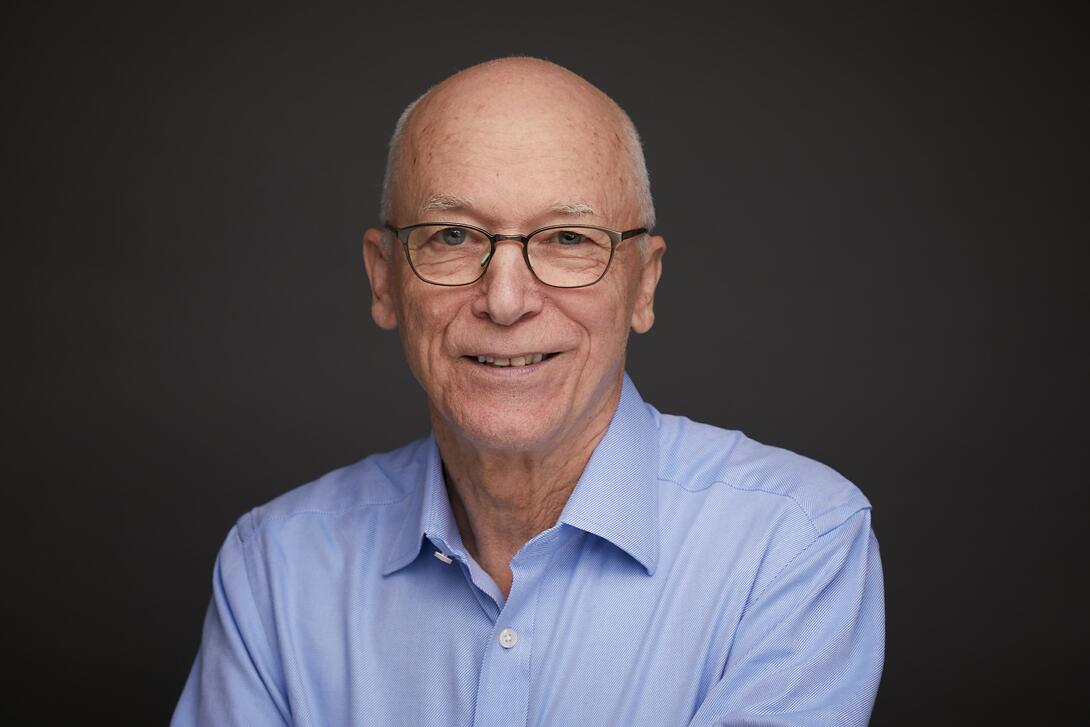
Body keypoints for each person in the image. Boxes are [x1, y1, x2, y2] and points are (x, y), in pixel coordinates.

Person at [172, 57, 884, 726]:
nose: (506, 300)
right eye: (451, 235)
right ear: (383, 277)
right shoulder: (276, 567)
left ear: (644, 283)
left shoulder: (791, 546)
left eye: (567, 239)